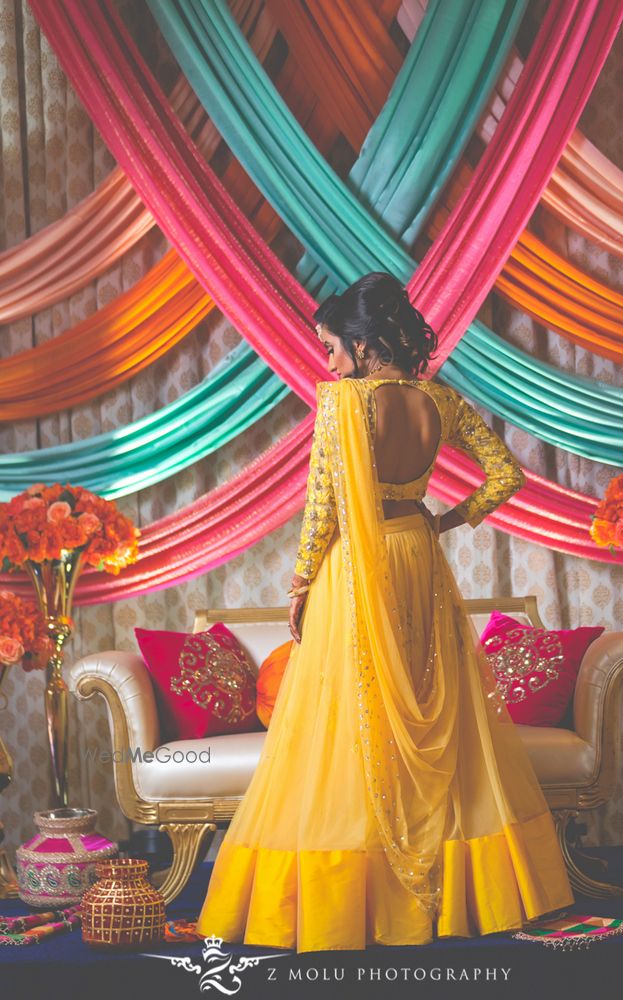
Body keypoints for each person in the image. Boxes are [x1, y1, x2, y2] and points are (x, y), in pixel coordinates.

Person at [196, 272, 575, 953]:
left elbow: (324, 510)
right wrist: (448, 520)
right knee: (435, 709)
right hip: (417, 555)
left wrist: (300, 582)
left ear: (365, 346)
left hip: (356, 567)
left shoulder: (343, 406)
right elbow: (506, 476)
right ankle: (459, 887)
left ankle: (364, 889)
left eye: (334, 349)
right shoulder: (441, 401)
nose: (330, 362)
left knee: (355, 715)